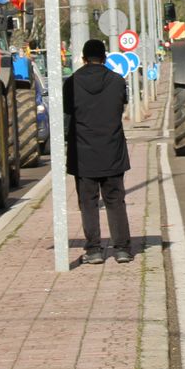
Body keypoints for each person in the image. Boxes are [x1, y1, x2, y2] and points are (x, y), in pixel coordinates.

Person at [65, 38, 132, 265]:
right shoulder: (117, 81)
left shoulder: (72, 82)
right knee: (115, 201)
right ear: (105, 58)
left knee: (88, 203)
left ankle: (93, 250)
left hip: (83, 153)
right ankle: (122, 249)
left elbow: (67, 112)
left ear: (83, 59)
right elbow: (121, 105)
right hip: (112, 151)